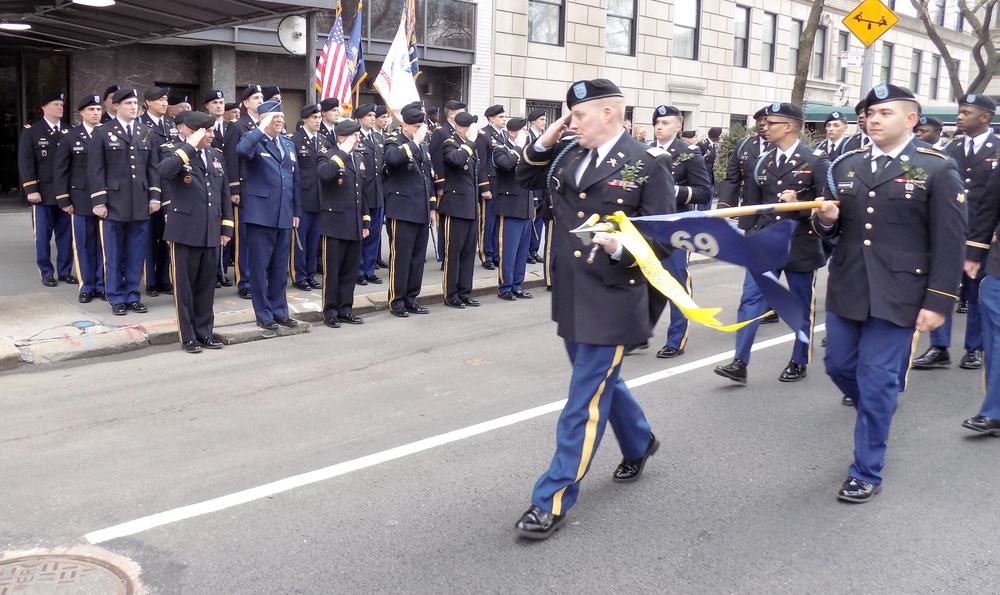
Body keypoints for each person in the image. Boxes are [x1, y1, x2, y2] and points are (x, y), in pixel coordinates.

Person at [512, 79, 674, 540]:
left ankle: (552, 499)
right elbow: (524, 176)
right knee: (603, 382)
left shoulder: (646, 164)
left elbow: (662, 238)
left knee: (582, 402)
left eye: (577, 115)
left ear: (608, 113)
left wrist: (623, 247)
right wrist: (549, 135)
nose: (570, 123)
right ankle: (639, 441)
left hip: (615, 296)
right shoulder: (567, 154)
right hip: (572, 292)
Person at [815, 83, 965, 502]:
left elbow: (950, 241)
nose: (874, 120)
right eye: (870, 114)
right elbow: (837, 232)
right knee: (838, 366)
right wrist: (826, 221)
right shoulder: (847, 165)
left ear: (910, 119)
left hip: (901, 291)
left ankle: (866, 470)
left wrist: (939, 302)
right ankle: (877, 407)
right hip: (849, 286)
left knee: (876, 378)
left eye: (884, 113)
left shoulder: (937, 168)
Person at [714, 102, 829, 384]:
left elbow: (826, 208)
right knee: (751, 299)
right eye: (764, 123)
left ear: (789, 126)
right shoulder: (763, 162)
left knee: (800, 304)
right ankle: (739, 361)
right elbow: (753, 204)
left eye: (771, 123)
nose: (764, 127)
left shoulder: (815, 161)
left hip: (799, 243)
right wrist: (749, 238)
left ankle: (799, 359)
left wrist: (798, 204)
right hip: (764, 242)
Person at [912, 94, 997, 372]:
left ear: (985, 117)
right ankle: (939, 347)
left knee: (976, 293)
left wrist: (995, 231)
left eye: (966, 112)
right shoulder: (949, 149)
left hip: (983, 236)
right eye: (959, 112)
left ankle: (975, 348)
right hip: (949, 231)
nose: (959, 117)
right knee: (942, 286)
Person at [158, 111, 233, 353]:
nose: (212, 135)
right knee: (185, 288)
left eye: (212, 130)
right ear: (193, 132)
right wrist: (188, 147)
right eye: (207, 131)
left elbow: (223, 195)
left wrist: (226, 227)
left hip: (210, 231)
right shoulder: (174, 152)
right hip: (185, 231)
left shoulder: (216, 156)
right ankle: (188, 335)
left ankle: (205, 332)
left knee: (206, 287)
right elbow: (165, 171)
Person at [643, 105, 712, 359]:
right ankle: (640, 333)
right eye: (657, 122)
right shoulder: (644, 151)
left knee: (675, 280)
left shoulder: (688, 153)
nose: (659, 127)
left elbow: (704, 191)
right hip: (648, 225)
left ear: (678, 126)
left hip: (676, 226)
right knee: (643, 282)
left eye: (664, 122)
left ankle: (676, 338)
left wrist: (673, 191)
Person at [88, 87, 161, 316]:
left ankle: (132, 294)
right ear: (116, 106)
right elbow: (96, 169)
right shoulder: (102, 132)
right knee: (114, 253)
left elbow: (153, 167)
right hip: (114, 203)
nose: (133, 107)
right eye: (128, 103)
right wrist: (99, 201)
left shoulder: (145, 131)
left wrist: (155, 196)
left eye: (135, 103)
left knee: (137, 252)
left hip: (140, 202)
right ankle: (116, 297)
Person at [235, 99, 301, 331]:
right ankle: (263, 314)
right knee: (260, 267)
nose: (280, 120)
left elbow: (295, 180)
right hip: (260, 215)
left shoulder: (288, 144)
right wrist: (260, 129)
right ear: (263, 120)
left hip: (284, 213)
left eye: (281, 116)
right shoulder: (254, 141)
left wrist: (296, 210)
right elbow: (242, 150)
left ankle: (280, 311)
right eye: (275, 117)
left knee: (279, 267)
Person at [316, 119, 370, 327]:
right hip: (335, 223)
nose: (358, 139)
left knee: (350, 271)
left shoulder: (358, 158)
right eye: (354, 136)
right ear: (342, 137)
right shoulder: (327, 155)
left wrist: (366, 222)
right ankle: (330, 312)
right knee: (333, 272)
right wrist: (343, 152)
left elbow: (362, 193)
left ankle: (346, 309)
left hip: (354, 223)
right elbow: (325, 174)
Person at [18, 91, 75, 288]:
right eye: (55, 104)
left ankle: (65, 271)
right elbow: (26, 162)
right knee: (43, 235)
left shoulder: (69, 130)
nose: (60, 107)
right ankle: (46, 271)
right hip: (42, 192)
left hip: (66, 193)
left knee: (66, 234)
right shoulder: (32, 131)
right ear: (44, 107)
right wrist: (31, 189)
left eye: (61, 104)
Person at [383, 101, 434, 318]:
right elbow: (392, 159)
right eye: (415, 127)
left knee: (416, 258)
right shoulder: (394, 141)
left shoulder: (421, 144)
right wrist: (415, 143)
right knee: (401, 257)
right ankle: (397, 301)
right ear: (405, 126)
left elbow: (427, 178)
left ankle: (412, 298)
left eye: (421, 126)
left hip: (420, 209)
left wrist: (432, 207)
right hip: (402, 209)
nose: (419, 130)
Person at [54, 93, 104, 303]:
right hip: (80, 198)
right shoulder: (70, 137)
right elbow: (61, 170)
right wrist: (64, 200)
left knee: (104, 245)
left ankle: (102, 284)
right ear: (82, 112)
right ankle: (87, 285)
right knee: (83, 244)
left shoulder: (108, 134)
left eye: (98, 109)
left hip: (105, 198)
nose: (95, 113)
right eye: (91, 109)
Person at [439, 111, 485, 308]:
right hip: (455, 207)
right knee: (454, 253)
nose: (473, 130)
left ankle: (465, 292)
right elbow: (456, 160)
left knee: (468, 253)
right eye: (469, 126)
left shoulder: (470, 146)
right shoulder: (450, 144)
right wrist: (471, 142)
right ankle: (451, 294)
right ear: (460, 128)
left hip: (470, 207)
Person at [223, 84, 264, 300]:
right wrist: (234, 188)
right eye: (255, 98)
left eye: (261, 97)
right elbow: (231, 158)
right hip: (246, 189)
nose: (260, 100)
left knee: (260, 238)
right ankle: (244, 281)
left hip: (264, 190)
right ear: (245, 103)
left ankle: (258, 278)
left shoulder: (268, 124)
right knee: (245, 239)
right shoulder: (238, 126)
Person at [139, 86, 177, 298]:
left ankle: (164, 278)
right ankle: (151, 281)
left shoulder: (171, 125)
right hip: (150, 189)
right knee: (149, 238)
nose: (164, 103)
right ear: (148, 102)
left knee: (166, 236)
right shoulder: (141, 125)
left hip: (169, 188)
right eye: (159, 99)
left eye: (165, 99)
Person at [492, 117, 534, 300]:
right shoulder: (500, 149)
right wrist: (518, 147)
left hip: (525, 206)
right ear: (512, 132)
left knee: (522, 251)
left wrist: (533, 207)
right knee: (508, 251)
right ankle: (505, 287)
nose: (526, 133)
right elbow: (505, 164)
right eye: (522, 130)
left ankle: (517, 284)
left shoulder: (526, 152)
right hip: (510, 207)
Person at [289, 103, 329, 292]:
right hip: (302, 197)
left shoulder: (322, 140)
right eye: (314, 117)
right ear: (305, 119)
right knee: (300, 241)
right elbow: (293, 173)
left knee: (314, 240)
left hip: (319, 198)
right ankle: (299, 275)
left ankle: (311, 274)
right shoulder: (294, 140)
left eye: (320, 117)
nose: (318, 121)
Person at [429, 99, 465, 269]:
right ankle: (444, 255)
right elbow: (436, 159)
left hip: (457, 185)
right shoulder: (441, 131)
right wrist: (440, 183)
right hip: (445, 184)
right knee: (444, 221)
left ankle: (450, 254)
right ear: (451, 114)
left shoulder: (459, 132)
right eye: (460, 111)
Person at [354, 103, 386, 286]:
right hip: (362, 193)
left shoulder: (377, 138)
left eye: (374, 115)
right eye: (369, 115)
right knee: (361, 233)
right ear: (359, 118)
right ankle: (358, 270)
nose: (373, 118)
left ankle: (369, 269)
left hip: (377, 193)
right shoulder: (354, 138)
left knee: (374, 234)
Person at [718, 106, 770, 209]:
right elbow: (732, 179)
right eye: (759, 120)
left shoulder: (782, 146)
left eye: (766, 120)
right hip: (748, 208)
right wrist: (723, 207)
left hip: (773, 208)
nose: (762, 123)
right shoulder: (745, 145)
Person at [476, 104, 506, 269]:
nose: (504, 119)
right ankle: (486, 254)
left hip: (500, 184)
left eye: (504, 116)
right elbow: (481, 162)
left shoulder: (503, 135)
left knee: (497, 222)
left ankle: (495, 253)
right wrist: (484, 186)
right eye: (501, 117)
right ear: (491, 118)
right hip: (489, 183)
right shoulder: (484, 134)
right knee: (487, 222)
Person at [526, 109, 548, 266]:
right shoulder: (528, 137)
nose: (544, 122)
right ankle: (527, 251)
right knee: (530, 220)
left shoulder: (544, 138)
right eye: (541, 119)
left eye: (545, 119)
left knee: (539, 220)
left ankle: (534, 250)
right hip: (532, 186)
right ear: (533, 121)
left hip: (543, 187)